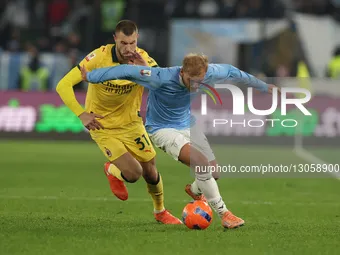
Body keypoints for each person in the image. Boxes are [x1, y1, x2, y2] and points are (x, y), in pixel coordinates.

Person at [80, 53, 279, 229]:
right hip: (161, 128)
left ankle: (194, 190)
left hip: (187, 123)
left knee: (213, 172)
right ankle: (224, 214)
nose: (196, 86)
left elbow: (234, 72)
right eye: (192, 80)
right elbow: (124, 70)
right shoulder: (160, 77)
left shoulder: (211, 72)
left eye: (200, 81)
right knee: (200, 164)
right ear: (182, 72)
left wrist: (263, 86)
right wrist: (90, 76)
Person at [56, 20, 182, 225]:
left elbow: (165, 86)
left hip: (132, 123)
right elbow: (63, 85)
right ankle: (111, 169)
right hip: (102, 125)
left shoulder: (143, 59)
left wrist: (146, 72)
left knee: (150, 171)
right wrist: (81, 114)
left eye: (132, 42)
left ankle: (160, 212)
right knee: (133, 174)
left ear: (137, 39)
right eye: (124, 43)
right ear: (115, 39)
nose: (129, 48)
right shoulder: (98, 58)